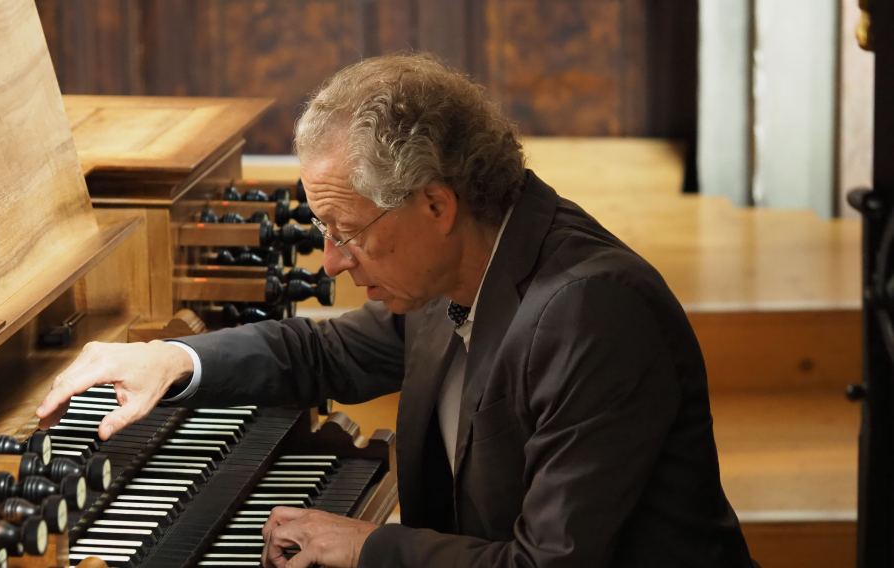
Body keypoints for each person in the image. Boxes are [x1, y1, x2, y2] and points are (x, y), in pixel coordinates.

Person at [37, 54, 756, 568]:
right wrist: (172, 358)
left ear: (436, 205)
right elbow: (324, 353)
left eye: (349, 234)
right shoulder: (465, 268)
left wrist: (366, 546)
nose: (335, 264)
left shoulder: (590, 312)